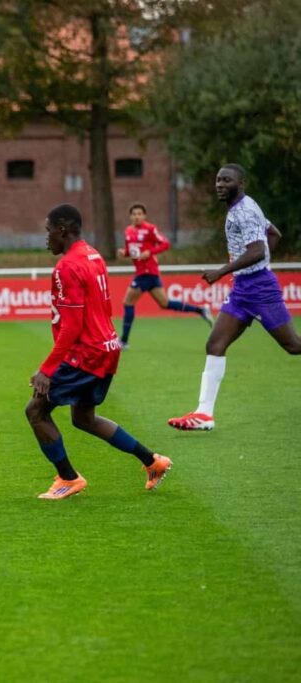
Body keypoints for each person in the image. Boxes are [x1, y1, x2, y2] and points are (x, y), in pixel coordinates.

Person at [26, 204, 171, 499]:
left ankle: (68, 478)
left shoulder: (66, 267)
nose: (46, 237)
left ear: (62, 229)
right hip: (107, 348)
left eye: (48, 230)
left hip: (86, 353)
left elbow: (72, 327)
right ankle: (152, 461)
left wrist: (47, 369)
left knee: (36, 411)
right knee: (84, 418)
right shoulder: (93, 254)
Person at [168, 164, 301, 431]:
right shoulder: (241, 208)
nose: (219, 184)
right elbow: (274, 234)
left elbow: (257, 250)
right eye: (218, 180)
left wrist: (222, 271)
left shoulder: (245, 211)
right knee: (215, 344)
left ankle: (204, 414)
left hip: (260, 289)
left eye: (226, 180)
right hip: (243, 289)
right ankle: (204, 415)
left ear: (241, 184)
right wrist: (254, 267)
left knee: (293, 346)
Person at [117, 203, 212, 348]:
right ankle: (200, 310)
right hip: (146, 273)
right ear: (130, 216)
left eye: (139, 214)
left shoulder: (150, 229)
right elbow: (132, 252)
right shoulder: (128, 231)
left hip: (147, 272)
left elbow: (165, 244)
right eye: (134, 214)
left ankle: (123, 341)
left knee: (128, 302)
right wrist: (124, 253)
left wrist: (150, 252)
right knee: (165, 303)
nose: (136, 216)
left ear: (144, 216)